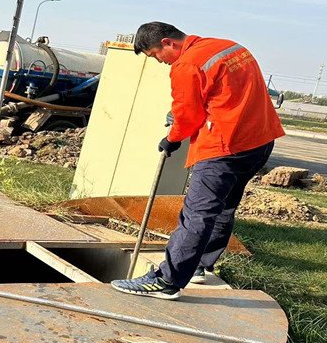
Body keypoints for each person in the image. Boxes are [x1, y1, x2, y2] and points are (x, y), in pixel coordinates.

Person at [111, 22, 285, 299]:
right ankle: (199, 266)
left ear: (169, 43)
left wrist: (173, 137)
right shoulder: (230, 47)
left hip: (224, 148)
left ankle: (168, 280)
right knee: (224, 207)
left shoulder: (187, 64)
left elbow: (187, 114)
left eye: (155, 55)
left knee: (198, 213)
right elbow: (227, 94)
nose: (159, 62)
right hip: (259, 141)